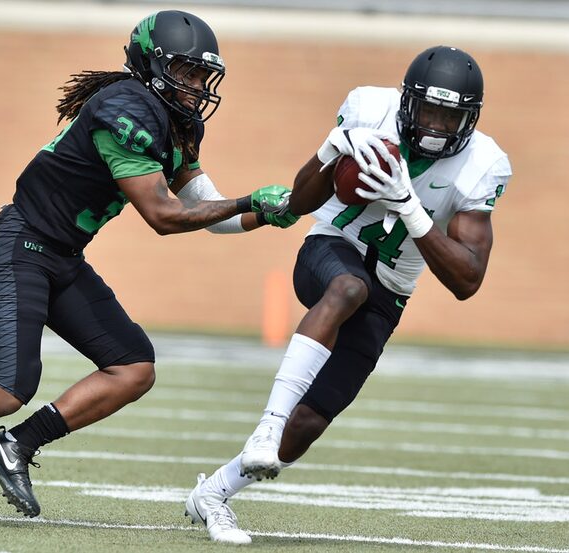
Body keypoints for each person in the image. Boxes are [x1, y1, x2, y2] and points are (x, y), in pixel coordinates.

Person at [0, 10, 298, 520]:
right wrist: (245, 202)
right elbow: (165, 216)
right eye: (186, 72)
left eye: (201, 76)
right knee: (8, 388)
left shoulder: (177, 122)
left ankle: (16, 446)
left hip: (61, 255)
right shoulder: (124, 109)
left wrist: (269, 211)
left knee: (133, 366)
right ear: (152, 65)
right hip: (20, 244)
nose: (196, 86)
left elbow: (205, 207)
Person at [184, 45, 512, 544]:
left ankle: (214, 494)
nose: (437, 126)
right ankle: (266, 427)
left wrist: (409, 206)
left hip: (393, 289)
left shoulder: (483, 163)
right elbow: (300, 201)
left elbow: (467, 280)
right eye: (429, 110)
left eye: (451, 117)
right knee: (348, 287)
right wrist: (332, 147)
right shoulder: (368, 109)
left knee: (312, 420)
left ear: (470, 120)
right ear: (407, 102)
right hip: (331, 248)